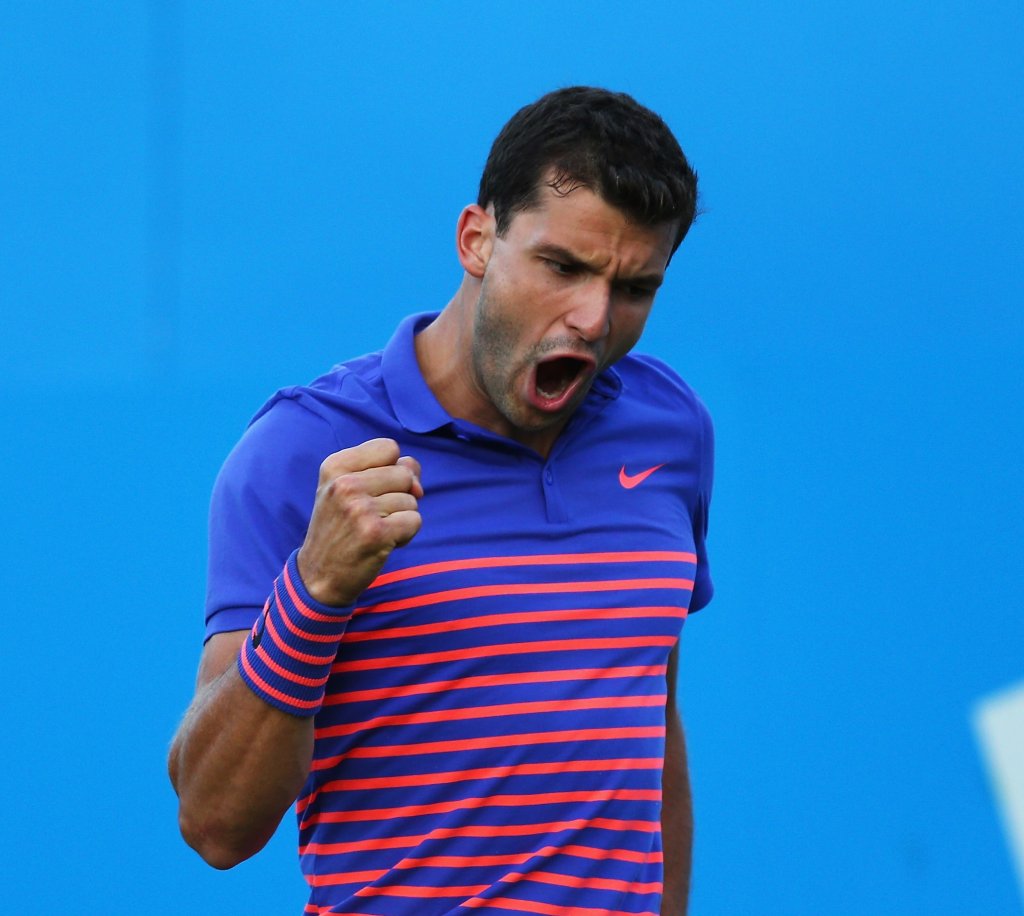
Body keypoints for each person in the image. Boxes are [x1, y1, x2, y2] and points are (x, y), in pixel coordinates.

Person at [169, 85, 714, 916]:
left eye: (634, 288)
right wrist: (314, 591)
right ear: (477, 239)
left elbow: (646, 714)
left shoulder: (669, 432)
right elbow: (215, 824)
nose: (594, 318)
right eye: (562, 267)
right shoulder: (300, 451)